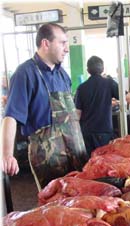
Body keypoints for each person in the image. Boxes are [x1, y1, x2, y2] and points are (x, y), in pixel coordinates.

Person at [1, 23, 87, 190]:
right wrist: (6, 155)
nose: (67, 49)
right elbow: (11, 116)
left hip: (75, 152)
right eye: (62, 43)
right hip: (48, 158)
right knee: (54, 205)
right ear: (46, 43)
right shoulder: (25, 73)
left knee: (80, 203)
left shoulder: (63, 75)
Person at [74, 56, 119, 157]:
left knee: (90, 163)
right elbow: (126, 96)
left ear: (87, 70)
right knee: (104, 162)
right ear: (103, 69)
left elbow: (77, 114)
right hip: (104, 132)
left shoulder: (81, 88)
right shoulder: (109, 83)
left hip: (87, 132)